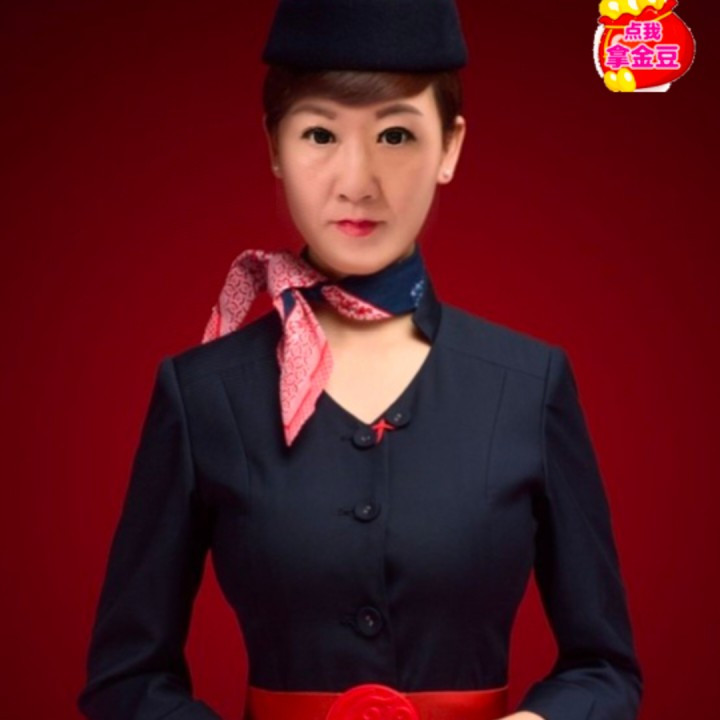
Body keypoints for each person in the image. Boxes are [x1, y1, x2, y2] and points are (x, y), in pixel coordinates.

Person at [77, 1, 643, 719]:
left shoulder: (529, 385)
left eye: (396, 135)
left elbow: (605, 669)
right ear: (274, 146)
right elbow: (124, 681)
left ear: (450, 147)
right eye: (319, 133)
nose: (357, 182)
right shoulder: (202, 394)